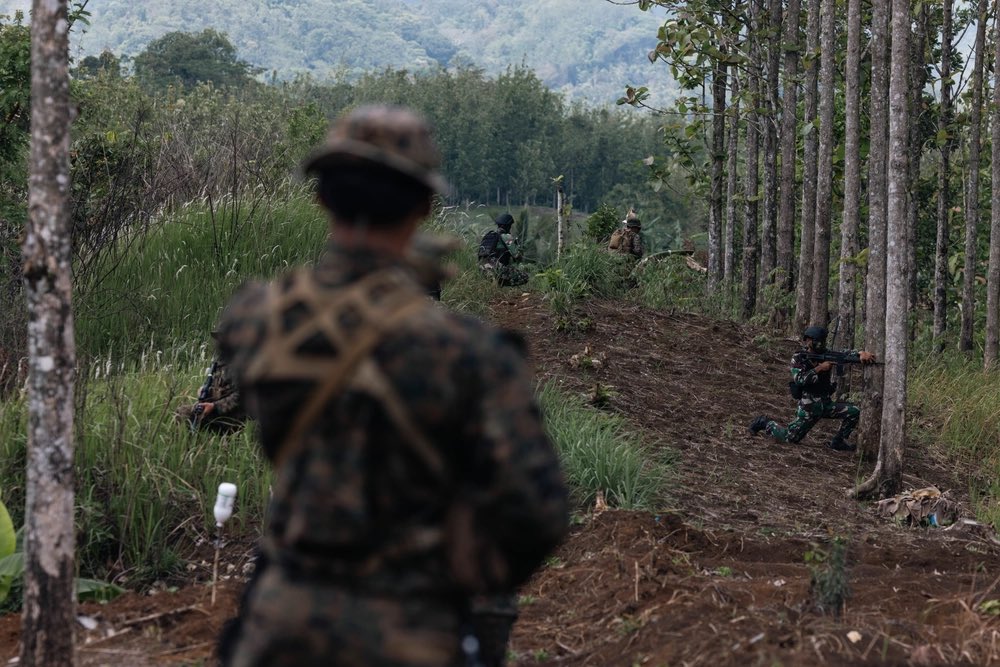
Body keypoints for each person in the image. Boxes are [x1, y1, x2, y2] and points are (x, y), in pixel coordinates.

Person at [215, 105, 569, 667]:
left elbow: (227, 411)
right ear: (424, 206)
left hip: (277, 631)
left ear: (322, 197)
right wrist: (461, 566)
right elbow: (538, 514)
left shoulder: (254, 320)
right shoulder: (467, 351)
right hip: (411, 632)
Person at [749, 325, 876, 452]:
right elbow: (799, 379)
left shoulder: (826, 353)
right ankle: (765, 423)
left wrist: (860, 354)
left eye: (818, 341)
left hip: (825, 404)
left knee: (854, 412)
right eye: (812, 341)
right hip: (808, 407)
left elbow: (843, 354)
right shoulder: (799, 357)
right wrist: (819, 368)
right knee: (790, 438)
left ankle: (838, 442)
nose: (815, 344)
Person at [175, 336, 246, 434]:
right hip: (216, 410)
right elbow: (218, 388)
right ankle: (188, 445)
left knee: (189, 415)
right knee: (182, 411)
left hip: (234, 416)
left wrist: (214, 406)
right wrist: (203, 391)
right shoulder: (220, 362)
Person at [477, 213, 529, 287]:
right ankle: (499, 284)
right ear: (507, 226)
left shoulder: (489, 236)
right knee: (525, 277)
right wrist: (517, 247)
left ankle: (496, 284)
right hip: (496, 269)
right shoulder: (506, 236)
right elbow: (517, 256)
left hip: (482, 269)